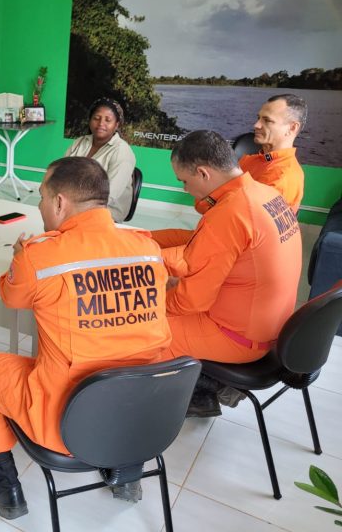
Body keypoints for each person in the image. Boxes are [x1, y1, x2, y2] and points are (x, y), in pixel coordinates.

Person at [0, 157, 172, 520]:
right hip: (142, 420)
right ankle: (127, 475)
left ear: (60, 203)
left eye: (42, 196)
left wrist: (19, 259)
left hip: (67, 425)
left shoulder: (40, 256)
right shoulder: (148, 249)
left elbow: (12, 297)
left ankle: (5, 488)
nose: (40, 205)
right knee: (128, 357)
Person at [154, 131, 302, 417]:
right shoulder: (263, 193)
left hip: (240, 338)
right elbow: (203, 245)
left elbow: (191, 302)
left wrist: (148, 301)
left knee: (141, 327)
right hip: (271, 326)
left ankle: (172, 404)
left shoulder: (230, 212)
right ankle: (203, 386)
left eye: (184, 181)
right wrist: (149, 243)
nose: (185, 189)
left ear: (203, 173)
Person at [65, 97, 136, 222]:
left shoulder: (122, 151)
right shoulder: (80, 142)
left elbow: (109, 195)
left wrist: (74, 207)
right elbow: (61, 172)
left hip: (106, 212)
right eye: (96, 118)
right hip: (74, 204)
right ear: (90, 120)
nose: (101, 123)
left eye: (108, 120)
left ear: (116, 125)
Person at [240, 93, 307, 214]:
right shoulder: (253, 160)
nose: (256, 125)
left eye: (267, 120)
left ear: (292, 128)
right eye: (258, 118)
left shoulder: (282, 176)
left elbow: (245, 217)